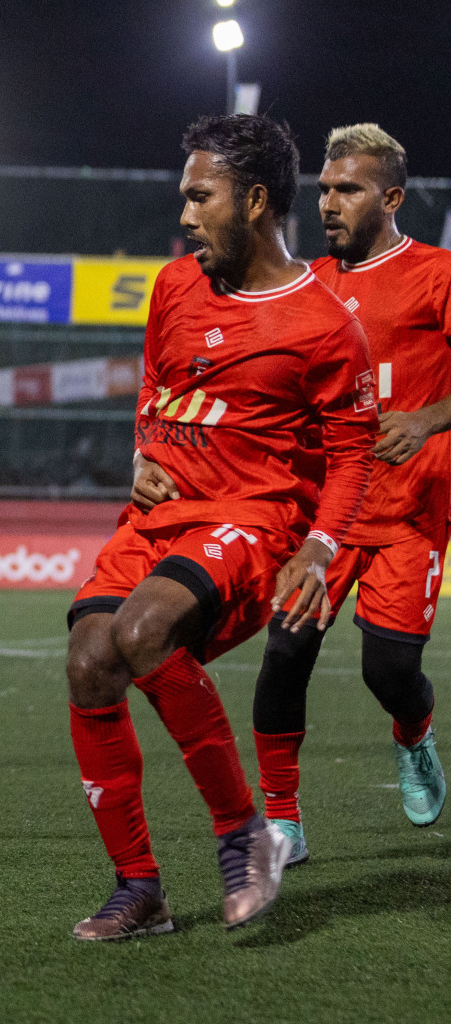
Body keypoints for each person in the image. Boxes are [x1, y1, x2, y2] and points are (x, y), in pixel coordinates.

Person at [65, 114, 376, 941]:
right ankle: (140, 889)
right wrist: (141, 448)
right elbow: (156, 384)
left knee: (141, 629)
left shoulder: (324, 323)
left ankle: (245, 834)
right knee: (90, 660)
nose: (185, 215)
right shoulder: (173, 287)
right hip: (158, 517)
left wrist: (320, 546)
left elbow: (353, 454)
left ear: (256, 200)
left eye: (201, 197)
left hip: (251, 520)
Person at [245, 125, 450, 857]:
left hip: (409, 513)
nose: (329, 203)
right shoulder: (305, 286)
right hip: (327, 518)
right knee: (285, 652)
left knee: (389, 669)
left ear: (391, 196)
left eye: (349, 189)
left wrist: (429, 418)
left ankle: (415, 732)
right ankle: (282, 821)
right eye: (325, 189)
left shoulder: (437, 274)